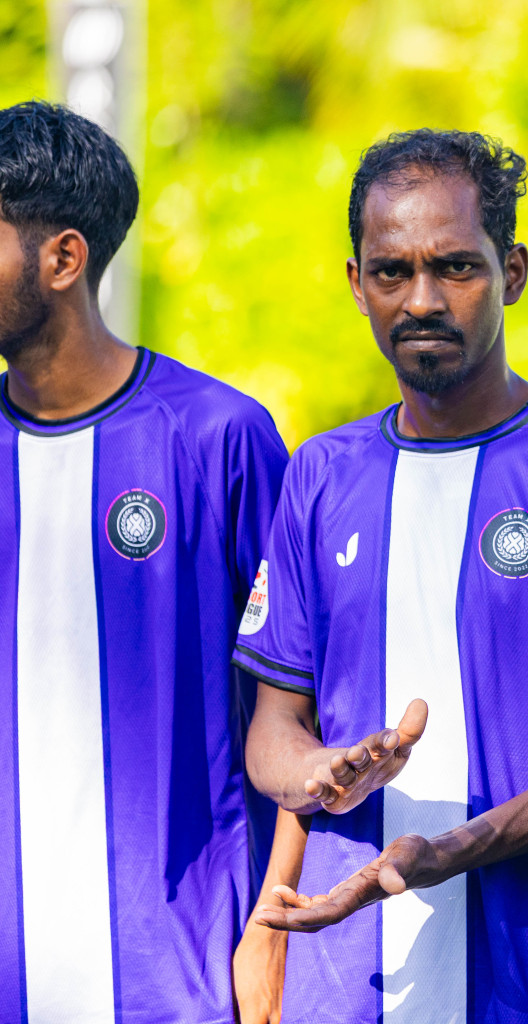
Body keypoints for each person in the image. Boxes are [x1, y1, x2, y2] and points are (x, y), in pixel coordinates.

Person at [239, 128, 528, 1024]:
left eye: (456, 267)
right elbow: (274, 728)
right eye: (391, 272)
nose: (421, 299)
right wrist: (321, 771)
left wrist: (454, 849)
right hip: (342, 985)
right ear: (356, 283)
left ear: (514, 272)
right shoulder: (321, 473)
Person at [0, 102, 289, 1022]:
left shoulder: (219, 439)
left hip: (176, 981)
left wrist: (272, 929)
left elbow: (296, 699)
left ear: (62, 259)